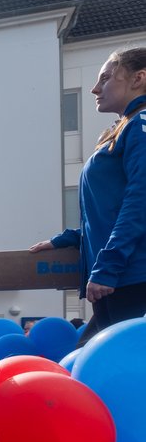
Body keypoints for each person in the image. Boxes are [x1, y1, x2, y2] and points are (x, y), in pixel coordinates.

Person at [30, 47, 146, 345]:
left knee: (107, 374)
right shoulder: (125, 127)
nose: (95, 88)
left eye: (105, 79)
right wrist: (71, 237)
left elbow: (140, 200)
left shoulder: (140, 125)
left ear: (139, 78)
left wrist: (108, 266)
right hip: (119, 276)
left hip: (131, 277)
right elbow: (110, 205)